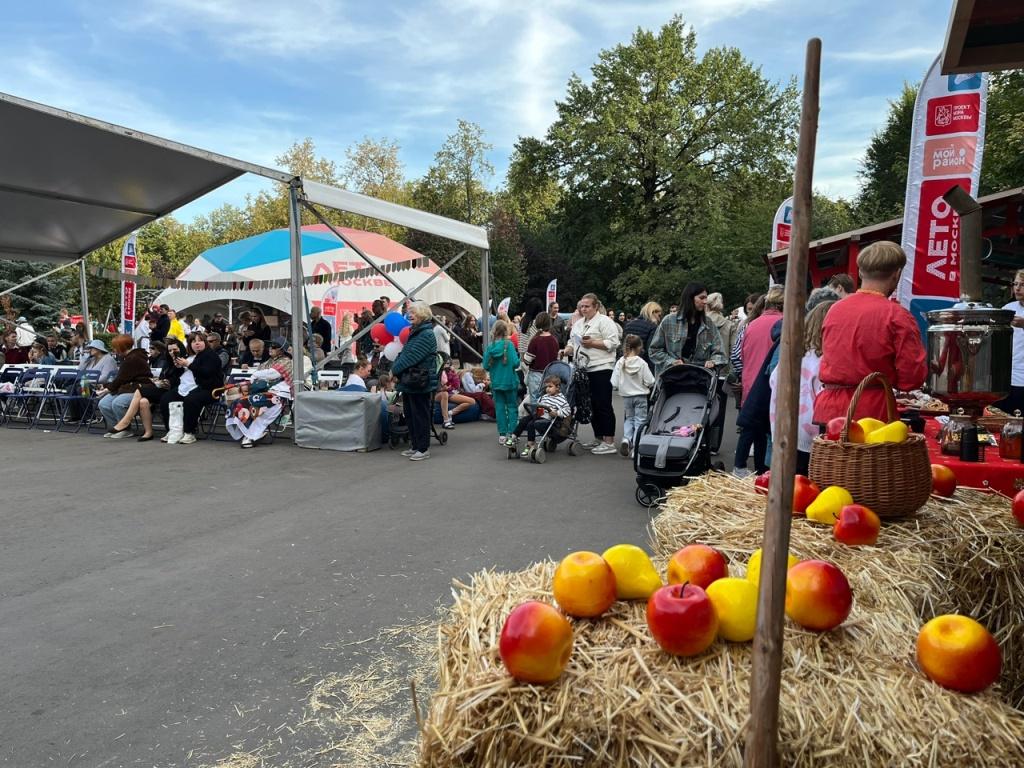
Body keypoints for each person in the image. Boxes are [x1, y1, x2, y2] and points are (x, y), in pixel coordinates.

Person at [814, 242, 927, 424]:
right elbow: (911, 376)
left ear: (860, 272)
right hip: (872, 411)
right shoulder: (897, 315)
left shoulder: (835, 309)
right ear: (897, 274)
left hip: (829, 409)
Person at [769, 300, 837, 476]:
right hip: (812, 434)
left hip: (784, 428)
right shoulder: (827, 361)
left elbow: (773, 381)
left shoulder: (793, 355)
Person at [734, 285, 784, 475]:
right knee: (768, 430)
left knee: (749, 426)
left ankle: (739, 466)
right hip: (770, 383)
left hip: (750, 380)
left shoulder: (751, 324)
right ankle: (764, 471)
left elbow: (738, 355)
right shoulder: (784, 324)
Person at [564, 293, 621, 454]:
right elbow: (572, 342)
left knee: (603, 404)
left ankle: (609, 441)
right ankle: (599, 438)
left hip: (601, 367)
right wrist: (567, 349)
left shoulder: (605, 321)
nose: (583, 309)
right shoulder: (579, 323)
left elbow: (614, 343)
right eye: (581, 306)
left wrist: (593, 343)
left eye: (587, 306)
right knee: (591, 405)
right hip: (583, 369)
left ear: (595, 306)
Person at [391, 301, 439, 461]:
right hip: (412, 380)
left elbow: (410, 357)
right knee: (411, 414)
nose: (409, 315)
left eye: (414, 312)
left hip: (419, 380)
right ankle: (416, 446)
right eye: (409, 312)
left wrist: (394, 370)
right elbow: (405, 353)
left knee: (420, 415)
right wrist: (396, 367)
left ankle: (423, 448)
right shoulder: (416, 331)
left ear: (423, 314)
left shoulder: (425, 334)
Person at [159, 332, 224, 445]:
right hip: (190, 387)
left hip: (210, 389)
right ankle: (173, 430)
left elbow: (206, 372)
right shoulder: (190, 356)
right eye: (194, 341)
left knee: (191, 399)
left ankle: (189, 432)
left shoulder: (210, 355)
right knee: (166, 398)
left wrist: (188, 365)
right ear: (190, 344)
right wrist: (179, 366)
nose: (197, 343)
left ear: (205, 343)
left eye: (200, 341)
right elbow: (180, 374)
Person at [649, 283, 725, 375]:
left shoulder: (708, 324)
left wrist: (713, 361)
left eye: (706, 298)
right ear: (690, 298)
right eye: (701, 298)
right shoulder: (669, 321)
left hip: (698, 380)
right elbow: (654, 351)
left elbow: (720, 352)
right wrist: (671, 361)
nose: (705, 302)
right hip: (671, 379)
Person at [97, 335, 152, 438]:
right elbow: (122, 378)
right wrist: (107, 387)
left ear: (121, 347)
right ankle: (116, 428)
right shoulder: (130, 357)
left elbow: (121, 379)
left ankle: (125, 429)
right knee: (103, 404)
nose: (113, 349)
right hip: (127, 388)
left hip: (138, 389)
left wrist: (106, 388)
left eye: (115, 347)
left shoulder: (132, 359)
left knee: (118, 403)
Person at [611, 334, 655, 458]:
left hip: (626, 397)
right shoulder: (642, 363)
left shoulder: (621, 362)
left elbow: (614, 382)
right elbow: (650, 381)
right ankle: (636, 447)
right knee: (640, 421)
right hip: (640, 396)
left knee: (629, 418)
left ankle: (626, 439)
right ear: (638, 347)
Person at [508, 374, 571, 457]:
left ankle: (530, 444)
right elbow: (538, 404)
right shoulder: (545, 396)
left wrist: (557, 413)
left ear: (557, 387)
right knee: (523, 420)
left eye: (550, 386)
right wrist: (537, 406)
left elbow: (567, 410)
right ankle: (513, 437)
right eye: (546, 387)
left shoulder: (561, 399)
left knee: (531, 424)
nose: (547, 389)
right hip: (539, 414)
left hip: (548, 419)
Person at [484, 319, 521, 447]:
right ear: (506, 331)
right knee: (512, 407)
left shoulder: (490, 347)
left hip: (496, 382)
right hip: (510, 381)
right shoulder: (509, 345)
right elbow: (516, 363)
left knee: (499, 408)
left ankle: (502, 434)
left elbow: (485, 366)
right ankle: (512, 433)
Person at [996, 269, 1024, 414]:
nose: (1017, 288)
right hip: (1005, 379)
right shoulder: (1008, 309)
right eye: (1015, 284)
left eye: (1022, 284)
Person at [523, 312, 560, 404]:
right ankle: (546, 417)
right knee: (549, 399)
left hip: (536, 374)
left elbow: (527, 360)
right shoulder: (554, 339)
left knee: (536, 399)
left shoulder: (535, 340)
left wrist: (524, 356)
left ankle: (537, 417)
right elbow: (557, 358)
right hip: (551, 374)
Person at [435, 358, 475, 428]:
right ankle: (446, 421)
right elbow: (433, 386)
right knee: (445, 393)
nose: (446, 365)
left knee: (472, 401)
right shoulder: (435, 371)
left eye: (448, 364)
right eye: (445, 363)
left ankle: (450, 413)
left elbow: (456, 386)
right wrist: (442, 389)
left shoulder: (450, 372)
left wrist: (453, 373)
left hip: (450, 393)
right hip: (437, 394)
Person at [622, 302, 662, 368]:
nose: (659, 319)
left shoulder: (628, 325)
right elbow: (650, 351)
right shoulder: (652, 327)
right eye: (659, 315)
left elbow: (624, 346)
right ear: (653, 312)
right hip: (643, 364)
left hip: (626, 362)